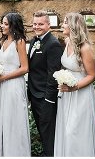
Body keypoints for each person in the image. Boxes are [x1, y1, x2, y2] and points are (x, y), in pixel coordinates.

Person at [54, 13, 95, 156]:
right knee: (66, 131)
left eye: (64, 22)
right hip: (67, 94)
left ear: (73, 25)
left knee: (76, 132)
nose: (62, 25)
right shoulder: (68, 41)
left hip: (80, 94)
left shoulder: (84, 47)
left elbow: (92, 75)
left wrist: (74, 87)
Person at [0, 12, 30, 156]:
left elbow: (25, 68)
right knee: (3, 120)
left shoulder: (19, 41)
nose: (2, 26)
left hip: (14, 85)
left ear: (13, 25)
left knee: (13, 120)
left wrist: (4, 77)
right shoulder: (3, 41)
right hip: (1, 86)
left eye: (6, 24)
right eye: (2, 23)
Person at [27, 10, 63, 156]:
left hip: (45, 96)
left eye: (40, 24)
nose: (37, 27)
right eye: (35, 24)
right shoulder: (35, 40)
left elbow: (52, 74)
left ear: (49, 25)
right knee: (42, 130)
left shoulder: (53, 44)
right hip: (34, 93)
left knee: (49, 132)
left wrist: (49, 98)